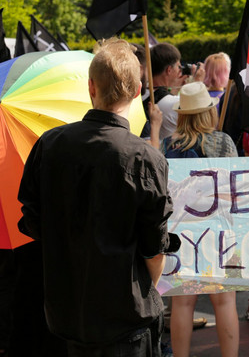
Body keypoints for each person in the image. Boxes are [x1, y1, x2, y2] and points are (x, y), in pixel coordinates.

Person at [17, 37, 175, 356]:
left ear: (91, 87)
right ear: (135, 91)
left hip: (66, 316)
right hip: (122, 320)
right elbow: (154, 248)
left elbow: (33, 222)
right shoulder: (144, 157)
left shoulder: (49, 145)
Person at [159, 82, 239, 357]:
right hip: (218, 231)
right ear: (208, 112)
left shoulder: (167, 145)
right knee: (225, 301)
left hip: (182, 233)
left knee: (182, 303)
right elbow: (233, 189)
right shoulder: (223, 142)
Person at [149, 42, 204, 140]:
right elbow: (201, 118)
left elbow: (163, 97)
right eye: (179, 67)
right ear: (169, 70)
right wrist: (198, 84)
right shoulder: (174, 103)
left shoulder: (144, 94)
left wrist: (173, 87)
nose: (180, 71)